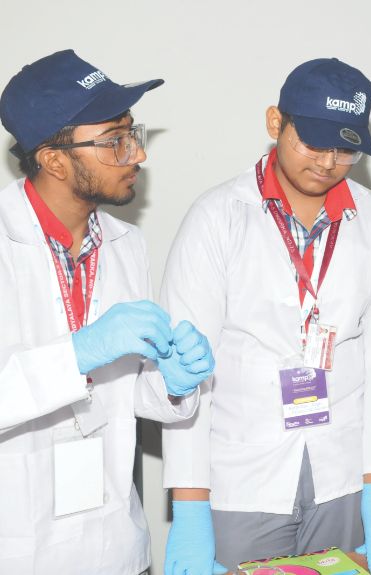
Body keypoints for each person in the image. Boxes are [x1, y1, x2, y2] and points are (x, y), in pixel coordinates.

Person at [161, 58, 371, 575]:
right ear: (276, 122)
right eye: (314, 143)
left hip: (345, 476)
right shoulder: (216, 218)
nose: (328, 162)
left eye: (345, 148)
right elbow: (185, 372)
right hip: (241, 478)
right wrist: (189, 509)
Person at [0, 50, 214, 575]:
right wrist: (78, 352)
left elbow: (128, 393)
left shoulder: (127, 244)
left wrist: (176, 383)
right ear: (53, 158)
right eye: (115, 140)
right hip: (21, 552)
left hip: (118, 547)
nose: (137, 154)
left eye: (132, 133)